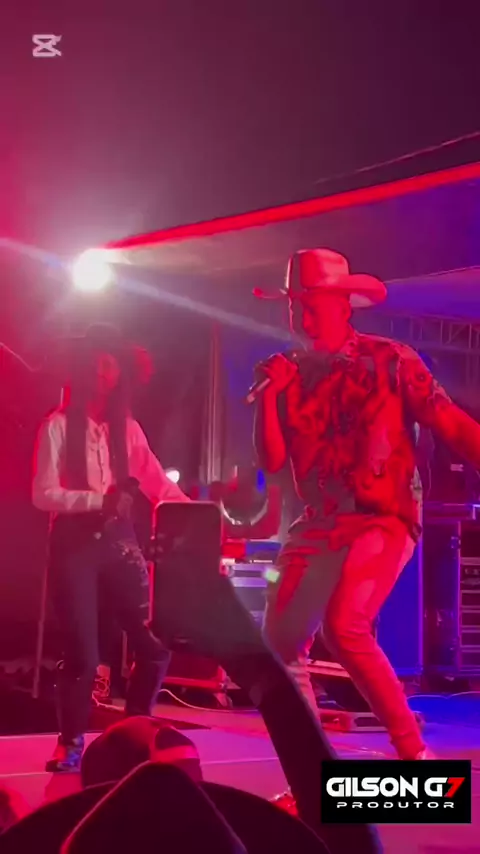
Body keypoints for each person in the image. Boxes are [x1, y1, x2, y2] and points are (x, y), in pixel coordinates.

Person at [254, 247, 480, 762]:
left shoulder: (391, 359)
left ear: (344, 305)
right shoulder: (288, 374)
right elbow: (271, 459)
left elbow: (449, 422)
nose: (302, 315)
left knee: (345, 625)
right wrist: (268, 397)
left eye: (312, 303)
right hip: (320, 520)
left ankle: (415, 757)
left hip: (383, 514)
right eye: (294, 304)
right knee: (279, 642)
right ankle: (311, 770)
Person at [32, 324, 189, 772]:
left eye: (112, 366)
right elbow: (42, 493)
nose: (105, 374)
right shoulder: (57, 426)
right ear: (82, 371)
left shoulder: (129, 430)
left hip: (120, 541)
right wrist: (96, 501)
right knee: (82, 654)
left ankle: (134, 734)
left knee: (154, 645)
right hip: (74, 544)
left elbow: (158, 485)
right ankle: (71, 742)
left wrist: (200, 517)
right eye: (98, 365)